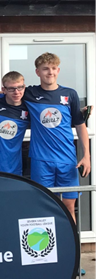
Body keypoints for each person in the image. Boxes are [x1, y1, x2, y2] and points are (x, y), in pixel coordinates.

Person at [24, 52, 90, 220]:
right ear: (38, 72)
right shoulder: (29, 94)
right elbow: (6, 90)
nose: (50, 72)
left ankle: (71, 246)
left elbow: (80, 126)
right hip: (41, 160)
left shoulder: (70, 94)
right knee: (43, 205)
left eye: (53, 68)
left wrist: (86, 157)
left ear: (58, 70)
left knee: (68, 206)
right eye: (45, 69)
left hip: (67, 160)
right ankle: (48, 246)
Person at [0, 71, 30, 175]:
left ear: (24, 87)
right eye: (11, 89)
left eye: (20, 87)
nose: (16, 92)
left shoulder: (29, 107)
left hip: (15, 168)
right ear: (4, 90)